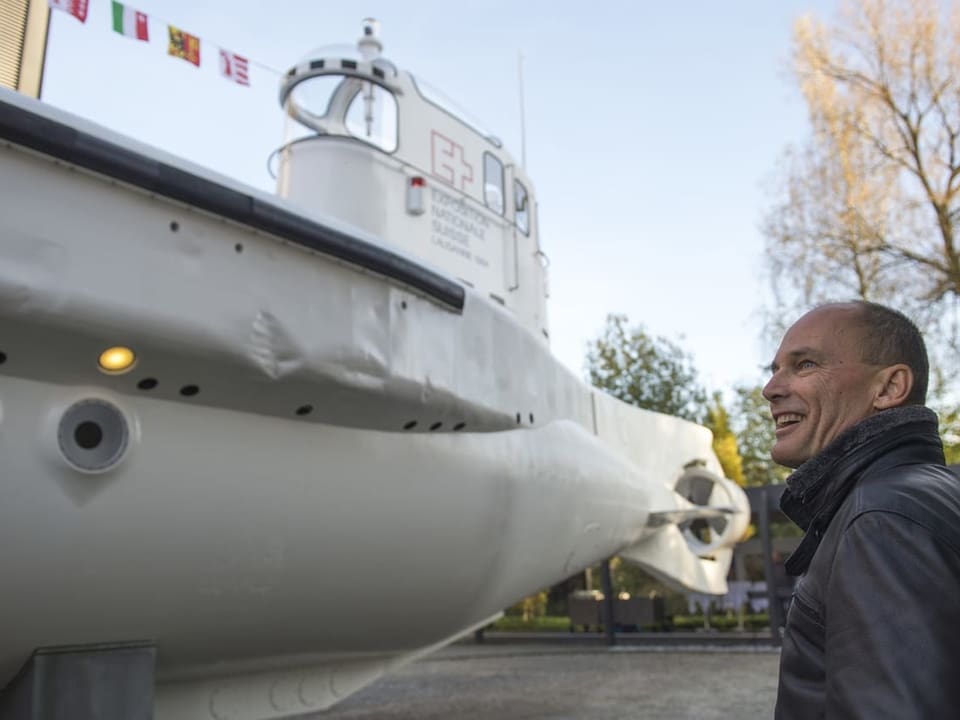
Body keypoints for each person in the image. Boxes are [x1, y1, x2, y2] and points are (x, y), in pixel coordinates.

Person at [763, 301, 960, 719]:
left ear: (889, 389)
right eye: (774, 368)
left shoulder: (880, 519)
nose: (771, 389)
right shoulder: (926, 494)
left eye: (805, 365)